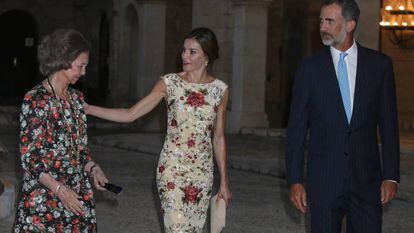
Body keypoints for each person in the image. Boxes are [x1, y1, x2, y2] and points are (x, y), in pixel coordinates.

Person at [85, 27, 232, 232]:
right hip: (171, 170)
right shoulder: (169, 83)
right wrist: (88, 108)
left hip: (202, 173)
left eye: (192, 51)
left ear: (206, 56)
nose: (184, 56)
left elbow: (218, 138)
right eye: (184, 50)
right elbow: (131, 114)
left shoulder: (220, 90)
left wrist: (224, 181)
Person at [285, 0, 400, 232]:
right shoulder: (309, 69)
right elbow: (296, 130)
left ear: (350, 24)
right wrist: (295, 181)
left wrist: (391, 176)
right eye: (321, 21)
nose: (322, 27)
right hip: (324, 182)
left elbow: (389, 126)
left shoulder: (379, 66)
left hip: (367, 183)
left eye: (329, 21)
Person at [13, 29, 108, 232]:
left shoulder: (76, 99)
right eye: (80, 66)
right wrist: (60, 190)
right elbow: (30, 158)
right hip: (45, 198)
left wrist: (94, 168)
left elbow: (80, 150)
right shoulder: (36, 99)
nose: (83, 72)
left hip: (77, 195)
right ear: (63, 60)